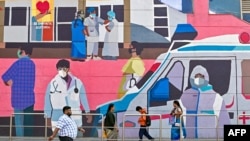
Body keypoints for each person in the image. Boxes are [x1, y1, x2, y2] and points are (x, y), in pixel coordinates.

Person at [180, 65, 230, 138]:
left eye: (201, 77)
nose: (198, 79)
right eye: (196, 76)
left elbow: (223, 121)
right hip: (189, 138)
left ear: (206, 78)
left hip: (209, 138)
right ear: (192, 78)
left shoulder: (216, 97)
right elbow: (178, 116)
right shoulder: (186, 95)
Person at [44, 59, 92, 135]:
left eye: (64, 68)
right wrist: (47, 118)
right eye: (60, 69)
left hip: (75, 119)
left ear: (68, 69)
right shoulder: (52, 84)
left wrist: (88, 112)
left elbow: (83, 98)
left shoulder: (78, 82)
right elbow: (47, 102)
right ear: (57, 69)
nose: (62, 71)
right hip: (58, 118)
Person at [1, 46, 36, 136]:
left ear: (23, 51)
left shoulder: (17, 64)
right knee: (28, 124)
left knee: (19, 123)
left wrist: (9, 82)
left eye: (19, 51)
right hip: (29, 98)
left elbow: (4, 76)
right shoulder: (32, 64)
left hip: (18, 98)